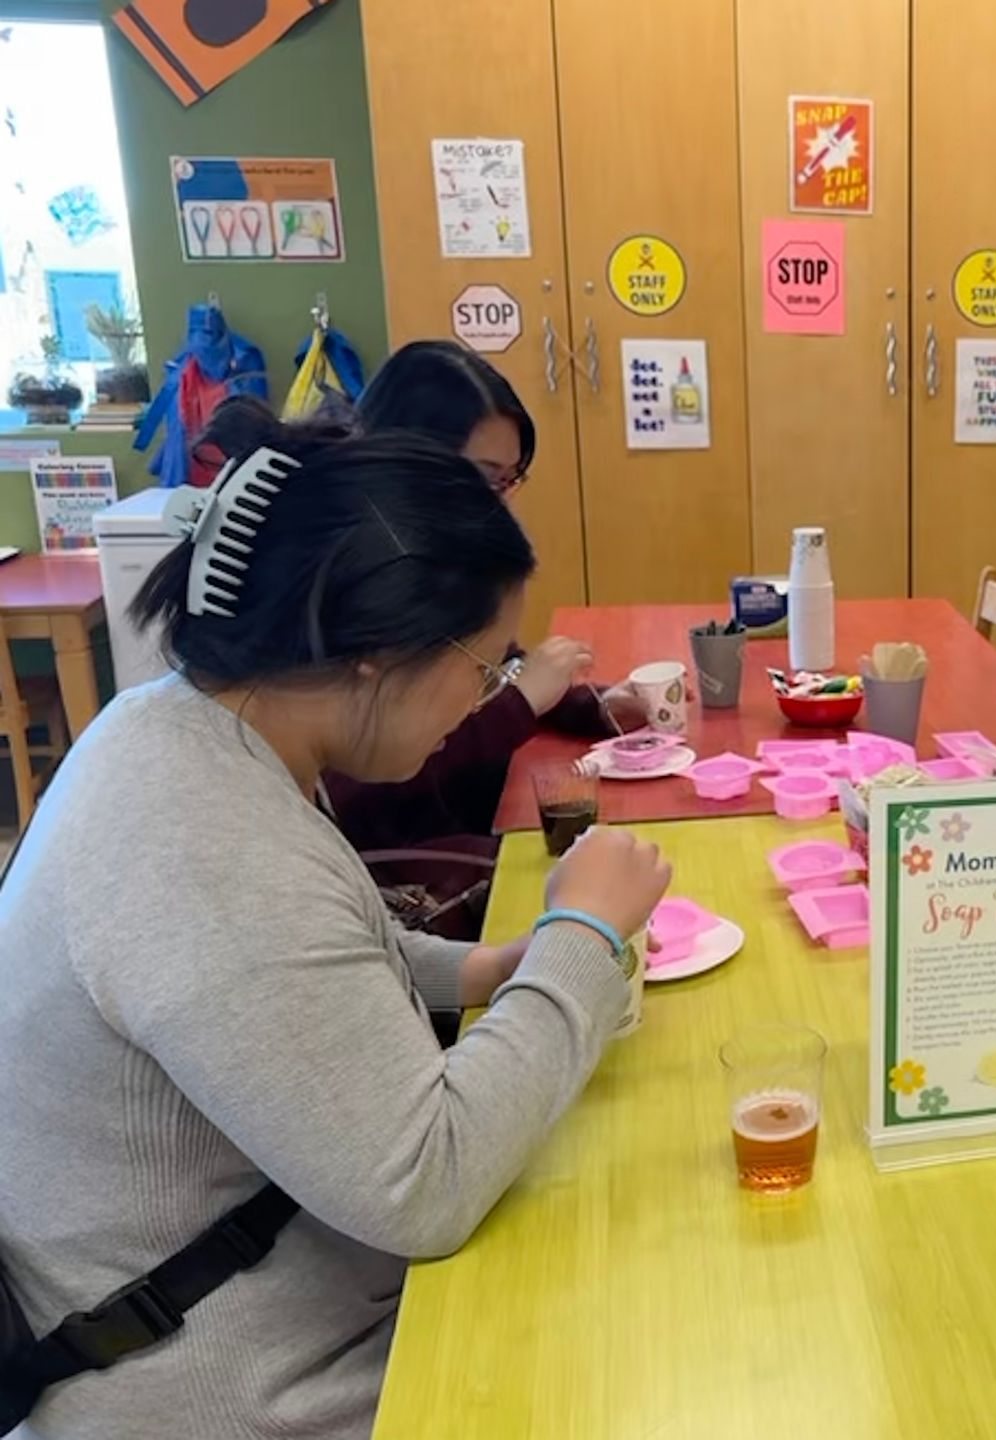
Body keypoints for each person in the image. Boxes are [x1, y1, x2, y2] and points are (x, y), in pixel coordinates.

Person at [0, 416, 670, 1437]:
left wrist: (493, 966)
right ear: (373, 654)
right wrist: (580, 943)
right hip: (244, 1384)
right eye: (483, 664)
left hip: (284, 1294)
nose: (487, 697)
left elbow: (314, 955)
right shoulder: (194, 837)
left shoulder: (184, 730)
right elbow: (427, 1182)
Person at [268, 341, 645, 851]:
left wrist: (587, 703)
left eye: (509, 481)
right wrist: (522, 700)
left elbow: (490, 670)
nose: (496, 505)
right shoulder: (357, 579)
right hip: (419, 862)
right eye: (482, 478)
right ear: (405, 451)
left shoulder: (438, 561)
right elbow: (368, 788)